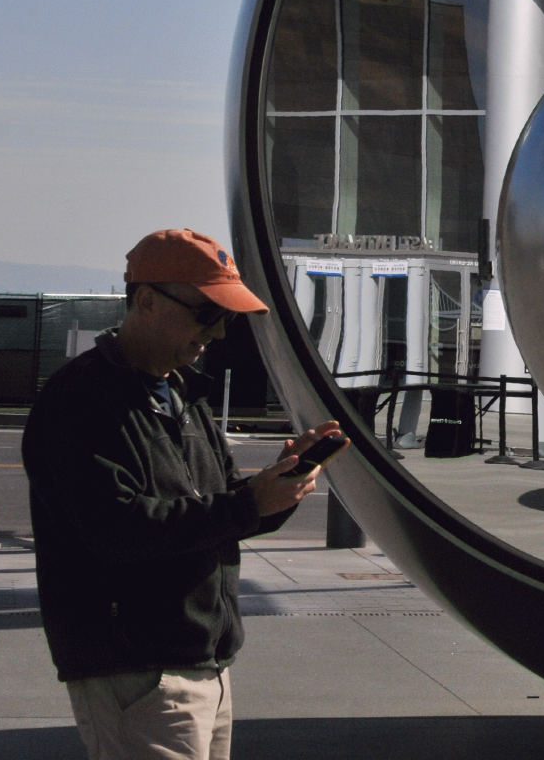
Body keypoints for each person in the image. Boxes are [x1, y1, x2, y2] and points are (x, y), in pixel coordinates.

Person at [23, 229, 345, 760]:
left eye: (227, 319)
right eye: (207, 314)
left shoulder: (182, 395)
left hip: (200, 667)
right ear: (146, 302)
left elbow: (213, 513)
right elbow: (117, 530)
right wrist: (247, 504)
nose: (217, 334)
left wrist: (275, 492)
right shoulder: (82, 400)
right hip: (138, 672)